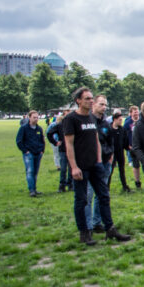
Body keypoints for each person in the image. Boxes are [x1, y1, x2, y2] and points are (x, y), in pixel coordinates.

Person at [62, 87, 130, 245]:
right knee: (82, 199)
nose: (90, 101)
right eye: (87, 98)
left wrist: (99, 160)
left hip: (95, 165)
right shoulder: (72, 119)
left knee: (104, 196)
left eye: (91, 98)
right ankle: (84, 232)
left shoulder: (92, 119)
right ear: (78, 100)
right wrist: (73, 167)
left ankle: (110, 229)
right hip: (81, 166)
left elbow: (96, 141)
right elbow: (69, 145)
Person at [84, 95, 114, 233]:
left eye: (105, 105)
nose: (104, 107)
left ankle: (97, 222)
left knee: (101, 195)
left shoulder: (105, 123)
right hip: (91, 164)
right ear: (93, 104)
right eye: (101, 104)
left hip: (105, 163)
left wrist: (110, 157)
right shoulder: (87, 121)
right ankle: (87, 226)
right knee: (88, 195)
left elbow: (110, 141)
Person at [16, 110, 46, 197]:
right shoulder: (24, 128)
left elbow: (42, 140)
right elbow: (19, 141)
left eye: (37, 117)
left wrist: (42, 150)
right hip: (29, 153)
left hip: (38, 153)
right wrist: (25, 151)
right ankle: (31, 190)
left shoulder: (39, 129)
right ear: (29, 117)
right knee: (30, 171)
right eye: (34, 117)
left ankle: (34, 189)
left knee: (35, 172)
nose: (36, 119)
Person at [47, 110, 73, 192]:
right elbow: (49, 133)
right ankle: (62, 185)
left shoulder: (74, 125)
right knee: (63, 168)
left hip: (72, 149)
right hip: (63, 150)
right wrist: (55, 142)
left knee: (71, 168)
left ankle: (70, 184)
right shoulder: (60, 125)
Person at [123, 106, 143, 189]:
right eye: (134, 112)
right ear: (130, 113)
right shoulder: (128, 123)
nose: (136, 113)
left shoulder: (142, 121)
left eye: (137, 111)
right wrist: (128, 145)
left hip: (143, 147)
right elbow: (124, 135)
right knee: (136, 165)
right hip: (133, 147)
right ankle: (137, 181)